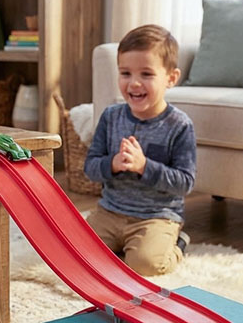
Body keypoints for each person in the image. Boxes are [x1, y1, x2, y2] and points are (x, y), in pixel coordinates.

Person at [84, 24, 196, 276]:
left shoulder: (180, 125)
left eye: (146, 74)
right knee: (79, 254)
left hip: (156, 217)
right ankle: (121, 248)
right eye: (125, 73)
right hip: (110, 212)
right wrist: (112, 164)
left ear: (171, 78)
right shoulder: (111, 117)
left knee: (145, 265)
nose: (134, 83)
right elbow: (90, 168)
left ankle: (178, 244)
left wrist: (144, 167)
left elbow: (185, 183)